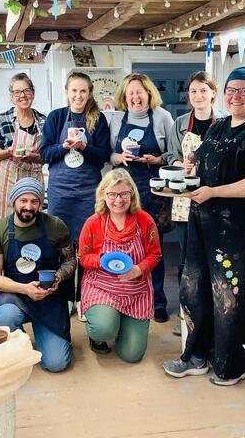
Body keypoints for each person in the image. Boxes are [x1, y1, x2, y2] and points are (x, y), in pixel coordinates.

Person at [163, 66, 245, 385]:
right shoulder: (217, 128)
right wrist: (192, 167)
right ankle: (197, 356)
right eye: (232, 89)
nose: (236, 96)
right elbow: (202, 162)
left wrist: (214, 191)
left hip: (242, 233)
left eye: (244, 90)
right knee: (195, 290)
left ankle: (229, 367)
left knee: (231, 297)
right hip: (205, 225)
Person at [0, 178, 76, 373]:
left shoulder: (55, 226)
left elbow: (70, 260)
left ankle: (51, 337)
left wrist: (58, 277)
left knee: (56, 364)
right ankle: (20, 342)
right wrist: (24, 289)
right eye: (23, 200)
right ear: (14, 201)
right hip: (15, 295)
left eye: (34, 201)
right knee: (5, 315)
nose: (28, 206)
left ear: (40, 203)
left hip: (49, 296)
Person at [40, 72, 111, 319]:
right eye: (74, 91)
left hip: (88, 191)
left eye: (83, 91)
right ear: (67, 91)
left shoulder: (98, 119)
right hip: (61, 192)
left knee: (86, 246)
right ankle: (66, 297)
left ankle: (84, 298)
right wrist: (63, 147)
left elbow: (103, 156)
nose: (78, 96)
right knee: (63, 246)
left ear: (90, 93)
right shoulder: (56, 117)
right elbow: (44, 154)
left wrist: (85, 148)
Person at [165, 71, 226, 335]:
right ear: (188, 96)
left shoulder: (224, 123)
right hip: (184, 197)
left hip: (215, 196)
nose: (198, 96)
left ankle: (214, 315)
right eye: (193, 91)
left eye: (203, 90)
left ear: (213, 93)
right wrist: (182, 163)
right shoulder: (180, 123)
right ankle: (186, 313)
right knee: (187, 258)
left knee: (213, 257)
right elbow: (169, 155)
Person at [110, 73, 174, 323]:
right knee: (124, 243)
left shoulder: (162, 117)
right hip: (123, 190)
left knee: (152, 246)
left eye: (140, 92)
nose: (135, 97)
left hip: (153, 189)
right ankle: (126, 298)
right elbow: (108, 154)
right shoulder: (116, 119)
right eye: (130, 93)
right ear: (124, 97)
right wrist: (120, 158)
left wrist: (156, 159)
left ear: (149, 93)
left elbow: (173, 153)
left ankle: (157, 301)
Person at [78, 169, 161, 361]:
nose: (118, 200)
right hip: (102, 287)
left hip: (135, 290)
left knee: (132, 355)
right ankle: (99, 331)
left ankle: (121, 322)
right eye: (112, 194)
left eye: (124, 193)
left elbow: (155, 254)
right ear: (103, 195)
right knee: (103, 329)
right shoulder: (94, 223)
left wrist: (138, 269)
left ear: (132, 194)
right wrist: (103, 261)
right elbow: (83, 257)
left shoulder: (144, 220)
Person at [0, 73, 46, 218]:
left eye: (26, 91)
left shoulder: (44, 121)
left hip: (33, 178)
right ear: (12, 97)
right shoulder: (2, 120)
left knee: (31, 221)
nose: (23, 95)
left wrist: (32, 156)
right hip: (6, 181)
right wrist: (9, 152)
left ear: (32, 93)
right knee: (5, 222)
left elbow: (47, 155)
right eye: (17, 92)